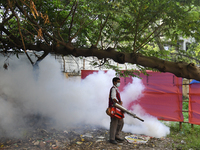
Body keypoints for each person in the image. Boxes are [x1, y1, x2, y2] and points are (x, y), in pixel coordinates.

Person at [108, 77, 124, 144]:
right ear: (114, 82)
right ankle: (112, 138)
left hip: (117, 108)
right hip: (114, 108)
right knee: (114, 123)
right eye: (117, 81)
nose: (119, 83)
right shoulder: (113, 89)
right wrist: (119, 103)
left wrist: (120, 103)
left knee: (121, 122)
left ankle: (117, 135)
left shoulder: (116, 89)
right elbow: (113, 98)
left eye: (119, 81)